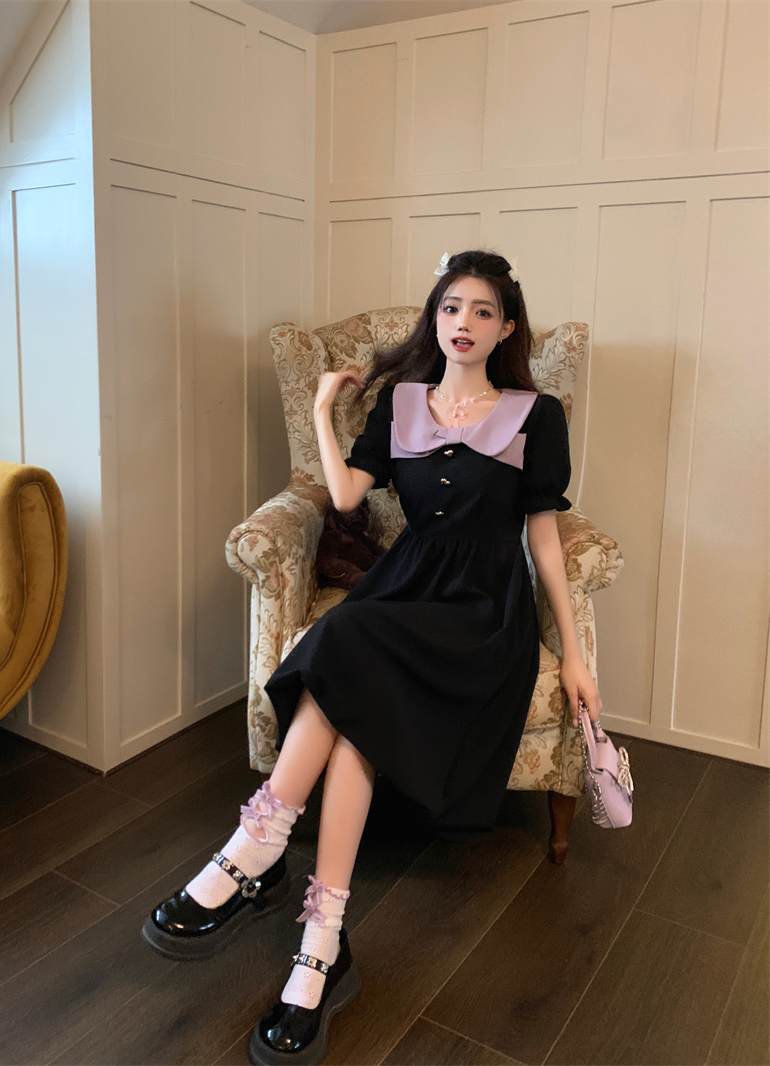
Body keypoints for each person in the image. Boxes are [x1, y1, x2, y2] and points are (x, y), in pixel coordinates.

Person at [142, 250, 603, 1066]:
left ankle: (255, 848)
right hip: (406, 585)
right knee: (354, 689)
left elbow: (541, 536)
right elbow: (348, 495)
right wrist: (324, 409)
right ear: (435, 318)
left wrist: (572, 653)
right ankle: (321, 942)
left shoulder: (536, 415)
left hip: (480, 610)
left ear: (506, 328)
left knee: (344, 644)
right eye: (451, 307)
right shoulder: (400, 402)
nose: (464, 323)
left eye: (483, 311)